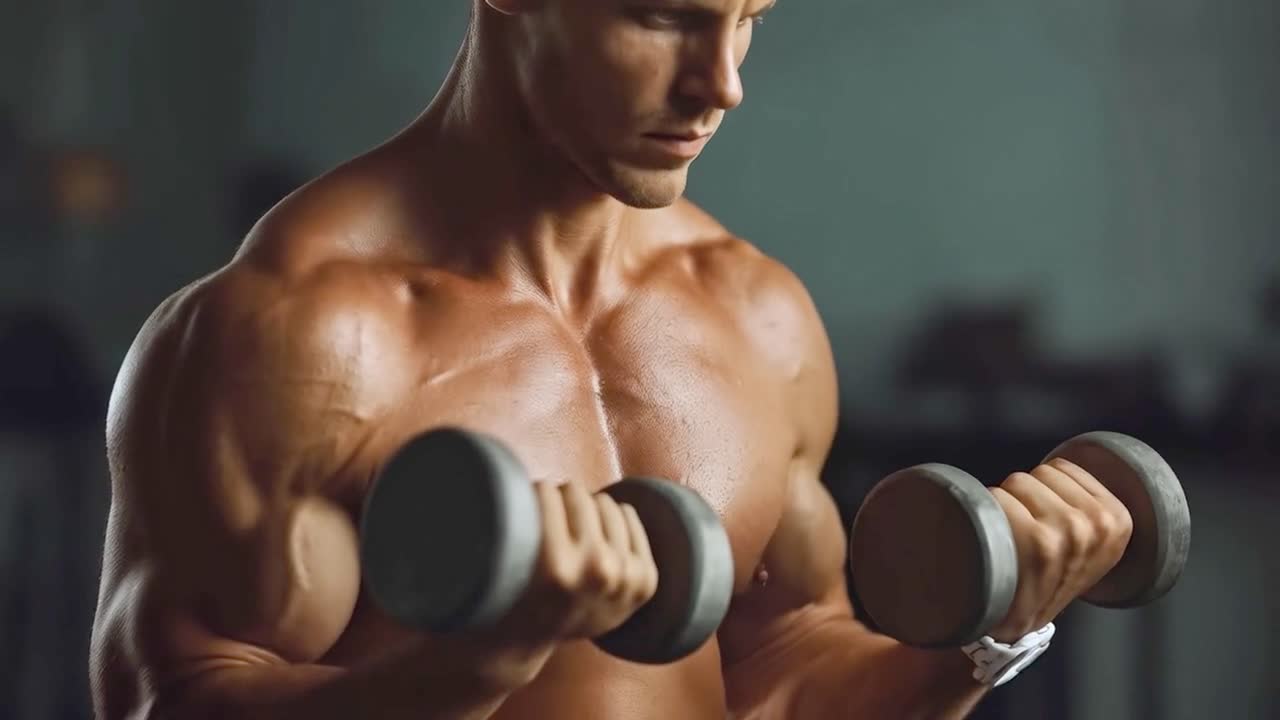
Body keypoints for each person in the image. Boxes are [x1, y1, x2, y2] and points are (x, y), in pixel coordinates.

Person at [90, 1, 1134, 718]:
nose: (721, 83)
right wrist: (471, 672)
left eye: (749, 19)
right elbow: (170, 698)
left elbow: (778, 670)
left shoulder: (756, 317)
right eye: (665, 16)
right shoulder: (296, 335)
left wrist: (978, 643)